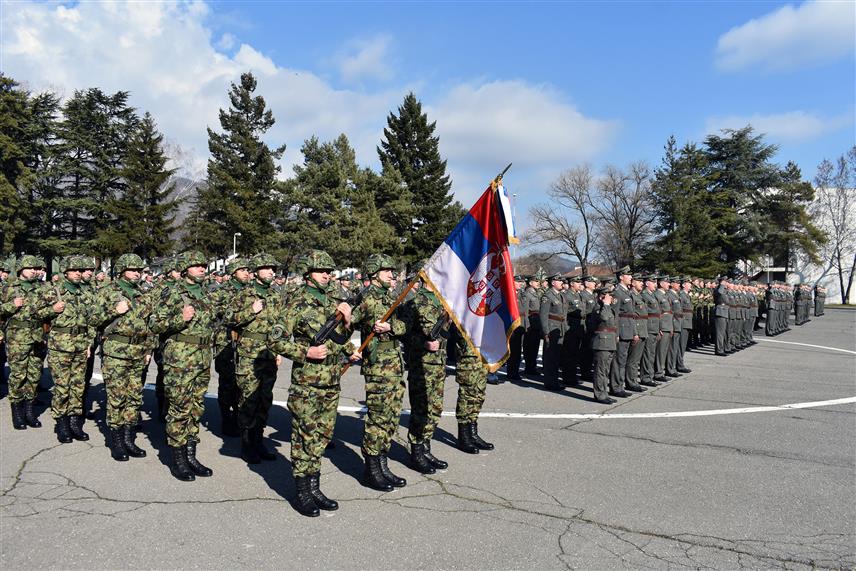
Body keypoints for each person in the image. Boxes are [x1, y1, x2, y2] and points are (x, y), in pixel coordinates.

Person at [267, 249, 358, 517]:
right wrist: (304, 352)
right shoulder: (295, 301)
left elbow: (339, 339)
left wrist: (348, 324)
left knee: (322, 437)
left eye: (330, 271)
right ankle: (302, 491)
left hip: (331, 381)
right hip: (307, 382)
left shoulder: (335, 300)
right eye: (323, 271)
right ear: (309, 274)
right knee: (304, 436)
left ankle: (315, 486)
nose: (328, 275)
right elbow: (275, 339)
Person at [150, 251, 217, 481]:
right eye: (197, 265)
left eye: (203, 265)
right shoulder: (172, 292)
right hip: (180, 360)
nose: (202, 269)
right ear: (186, 268)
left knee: (196, 408)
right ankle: (178, 459)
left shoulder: (207, 293)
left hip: (202, 359)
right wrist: (181, 319)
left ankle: (191, 455)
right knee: (179, 408)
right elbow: (155, 323)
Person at [350, 253, 409, 491]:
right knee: (377, 417)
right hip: (377, 366)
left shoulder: (391, 297)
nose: (391, 275)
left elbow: (405, 325)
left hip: (394, 362)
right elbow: (347, 324)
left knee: (392, 415)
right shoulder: (366, 298)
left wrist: (390, 326)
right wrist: (350, 349)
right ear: (375, 274)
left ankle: (383, 464)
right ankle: (371, 469)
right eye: (387, 271)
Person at [90, 254, 157, 461]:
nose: (137, 273)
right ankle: (117, 441)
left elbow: (150, 325)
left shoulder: (144, 293)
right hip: (116, 351)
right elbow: (92, 319)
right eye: (132, 270)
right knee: (117, 396)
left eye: (139, 270)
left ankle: (129, 439)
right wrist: (113, 310)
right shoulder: (108, 291)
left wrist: (148, 350)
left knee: (134, 396)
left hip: (138, 351)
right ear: (121, 271)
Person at [228, 253, 286, 464]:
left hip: (269, 353)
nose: (272, 271)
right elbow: (228, 319)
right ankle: (247, 445)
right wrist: (250, 311)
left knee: (264, 399)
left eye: (273, 268)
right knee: (249, 399)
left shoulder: (276, 294)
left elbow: (280, 325)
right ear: (255, 272)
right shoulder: (244, 293)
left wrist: (278, 351)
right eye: (267, 268)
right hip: (249, 354)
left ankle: (258, 441)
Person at [41, 256, 94, 443]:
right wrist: (52, 310)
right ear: (65, 272)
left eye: (81, 271)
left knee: (78, 387)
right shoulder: (53, 291)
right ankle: (62, 424)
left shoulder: (85, 293)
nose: (79, 274)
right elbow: (35, 313)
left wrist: (89, 343)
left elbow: (91, 321)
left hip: (80, 345)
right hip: (60, 345)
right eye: (75, 271)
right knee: (62, 388)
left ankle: (74, 424)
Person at [404, 276, 451, 474]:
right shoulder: (414, 302)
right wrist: (423, 343)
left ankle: (426, 447)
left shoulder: (443, 301)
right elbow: (404, 334)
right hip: (421, 365)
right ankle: (416, 452)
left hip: (438, 364)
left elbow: (445, 332)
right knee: (421, 409)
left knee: (435, 409)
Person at [1, 255, 51, 429]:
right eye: (31, 268)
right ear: (21, 269)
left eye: (36, 268)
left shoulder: (42, 288)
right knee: (18, 375)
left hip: (37, 337)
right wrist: (11, 305)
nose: (35, 271)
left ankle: (29, 411)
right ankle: (17, 412)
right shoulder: (9, 288)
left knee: (34, 375)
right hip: (17, 338)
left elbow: (48, 311)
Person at [210, 257, 251, 437]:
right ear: (234, 272)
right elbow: (216, 314)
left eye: (248, 271)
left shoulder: (250, 292)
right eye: (243, 270)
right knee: (227, 383)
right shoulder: (222, 292)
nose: (247, 273)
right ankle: (227, 419)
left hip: (247, 344)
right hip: (225, 342)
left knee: (242, 383)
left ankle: (239, 418)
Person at [453, 331, 494, 453]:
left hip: (483, 347)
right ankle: (463, 436)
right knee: (467, 394)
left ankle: (473, 433)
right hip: (468, 346)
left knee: (478, 393)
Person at [609, 266, 644, 396]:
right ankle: (616, 387)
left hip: (629, 329)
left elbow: (632, 315)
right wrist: (616, 333)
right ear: (621, 277)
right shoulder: (617, 292)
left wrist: (635, 332)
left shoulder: (627, 292)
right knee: (619, 361)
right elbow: (615, 315)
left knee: (623, 360)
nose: (630, 277)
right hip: (622, 331)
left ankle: (620, 385)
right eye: (628, 275)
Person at [540, 274, 568, 391]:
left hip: (560, 328)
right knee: (550, 357)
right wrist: (546, 332)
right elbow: (543, 315)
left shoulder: (560, 295)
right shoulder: (548, 296)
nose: (562, 282)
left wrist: (565, 327)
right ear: (553, 282)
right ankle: (550, 382)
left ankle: (554, 381)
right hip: (552, 329)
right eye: (559, 280)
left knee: (556, 357)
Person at [590, 286, 617, 404]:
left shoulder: (608, 308)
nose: (611, 298)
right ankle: (599, 395)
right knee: (600, 370)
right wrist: (605, 304)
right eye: (608, 295)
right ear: (602, 296)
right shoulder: (598, 308)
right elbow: (604, 318)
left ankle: (604, 393)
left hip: (609, 342)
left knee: (605, 370)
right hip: (601, 342)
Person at [639, 274, 661, 387]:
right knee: (648, 354)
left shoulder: (652, 295)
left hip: (655, 327)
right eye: (653, 282)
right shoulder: (644, 295)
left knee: (652, 353)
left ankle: (649, 376)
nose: (655, 284)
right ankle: (646, 377)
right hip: (649, 327)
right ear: (647, 283)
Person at [505, 275, 526, 381]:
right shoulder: (510, 294)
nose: (521, 284)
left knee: (517, 351)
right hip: (512, 326)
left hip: (520, 326)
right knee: (512, 351)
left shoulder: (521, 294)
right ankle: (511, 372)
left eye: (521, 282)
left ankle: (515, 372)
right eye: (518, 282)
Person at [521, 273, 543, 375]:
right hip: (531, 323)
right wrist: (527, 325)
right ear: (530, 283)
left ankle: (532, 367)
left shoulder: (536, 293)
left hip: (537, 323)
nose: (538, 283)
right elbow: (525, 312)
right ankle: (529, 368)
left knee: (535, 346)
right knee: (529, 347)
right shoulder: (527, 294)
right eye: (536, 281)